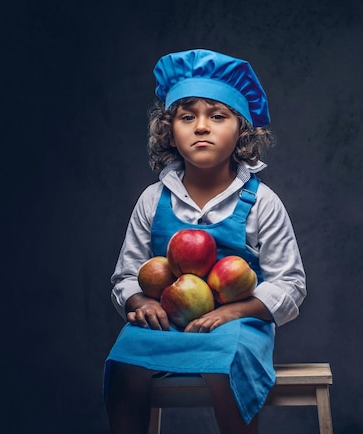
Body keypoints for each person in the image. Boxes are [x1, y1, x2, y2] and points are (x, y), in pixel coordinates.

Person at [104, 48, 307, 434]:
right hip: (166, 322)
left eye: (217, 116)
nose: (201, 127)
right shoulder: (153, 199)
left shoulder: (261, 202)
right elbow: (126, 275)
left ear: (242, 129)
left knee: (225, 363)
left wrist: (233, 311)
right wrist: (141, 301)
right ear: (170, 131)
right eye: (187, 116)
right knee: (125, 361)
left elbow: (290, 284)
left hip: (237, 325)